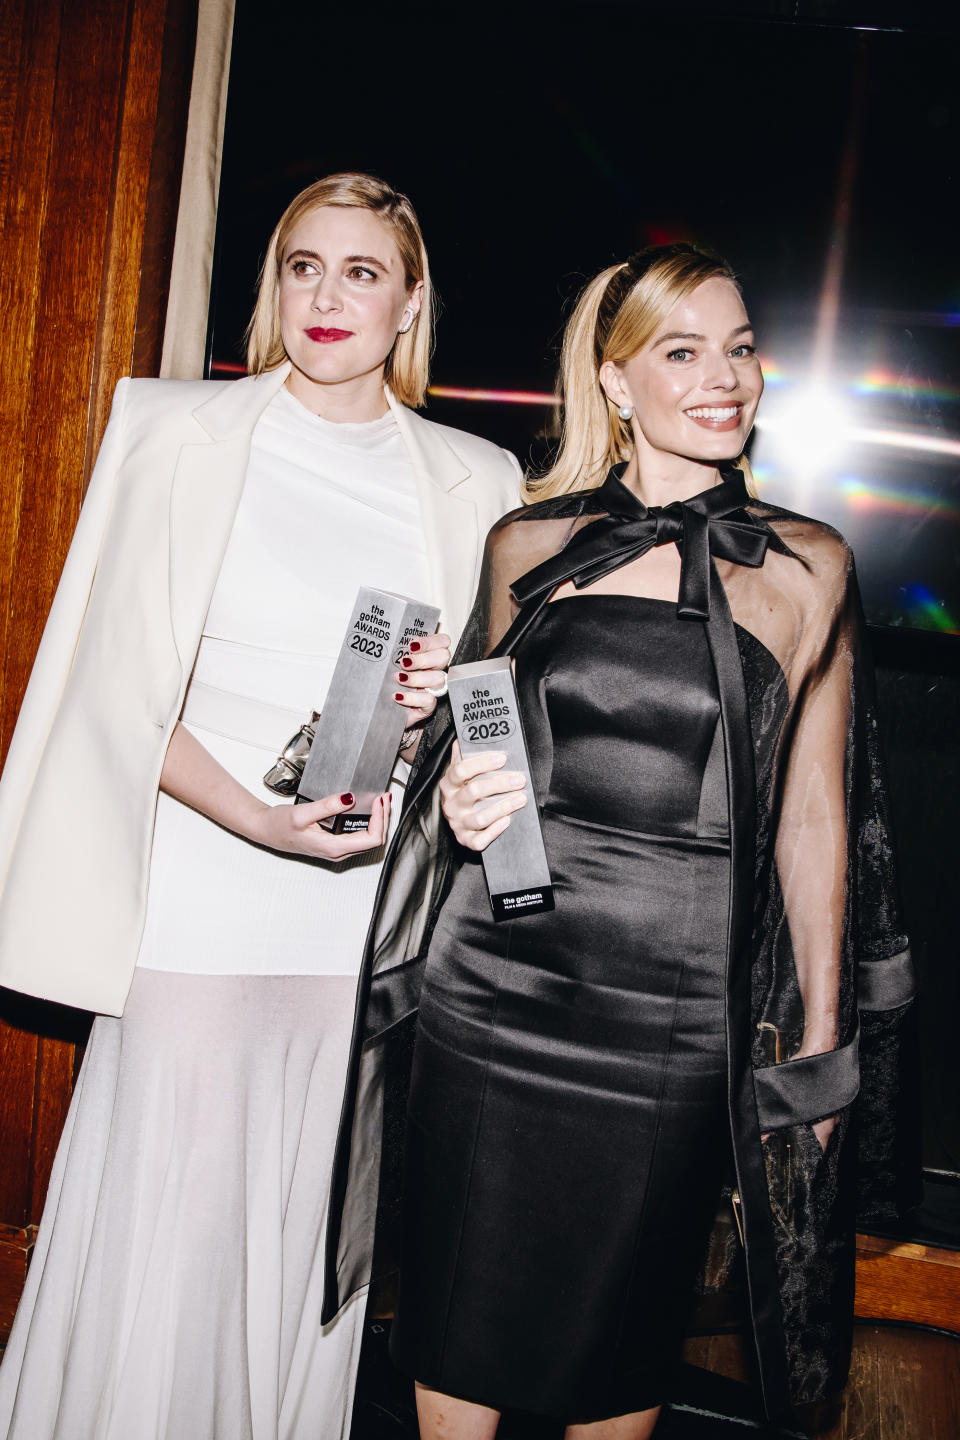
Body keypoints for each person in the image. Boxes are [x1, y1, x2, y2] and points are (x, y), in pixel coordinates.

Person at [321, 243, 919, 1437]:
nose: (725, 377)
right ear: (614, 379)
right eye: (684, 351)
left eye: (742, 348)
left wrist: (818, 1043)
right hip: (495, 981)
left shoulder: (806, 570)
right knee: (457, 1321)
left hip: (678, 1014)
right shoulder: (528, 548)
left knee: (618, 1342)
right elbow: (477, 752)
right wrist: (452, 801)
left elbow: (815, 819)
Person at [0, 172, 520, 1440]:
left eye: (362, 272)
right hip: (195, 890)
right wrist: (255, 818)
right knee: (168, 1210)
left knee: (304, 1216)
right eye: (303, 265)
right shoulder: (173, 429)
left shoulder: (476, 475)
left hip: (359, 911)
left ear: (409, 305)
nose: (328, 296)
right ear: (274, 286)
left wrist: (431, 707)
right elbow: (107, 691)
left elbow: (489, 713)